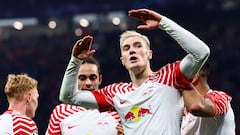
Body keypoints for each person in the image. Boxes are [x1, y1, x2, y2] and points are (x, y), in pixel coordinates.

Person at [59, 8, 210, 134]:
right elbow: (68, 96)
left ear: (149, 54)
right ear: (122, 60)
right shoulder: (116, 92)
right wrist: (75, 61)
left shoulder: (169, 76)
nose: (132, 51)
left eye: (138, 46)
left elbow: (201, 53)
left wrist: (164, 23)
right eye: (126, 48)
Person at [45, 56, 123, 135]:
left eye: (92, 78)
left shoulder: (116, 107)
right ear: (74, 80)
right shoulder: (61, 111)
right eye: (82, 78)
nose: (88, 83)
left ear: (100, 79)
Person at [181, 62, 236, 135]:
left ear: (194, 76)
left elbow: (196, 107)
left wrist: (183, 83)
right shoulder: (182, 113)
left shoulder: (220, 97)